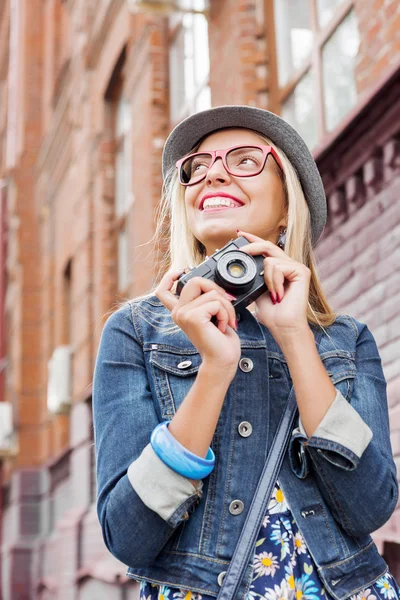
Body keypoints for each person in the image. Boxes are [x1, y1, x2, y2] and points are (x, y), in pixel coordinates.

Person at [92, 105, 399, 600]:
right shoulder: (135, 332)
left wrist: (295, 337)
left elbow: (370, 508)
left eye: (244, 159)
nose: (212, 171)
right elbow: (128, 536)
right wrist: (214, 369)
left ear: (285, 206)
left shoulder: (344, 339)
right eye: (198, 166)